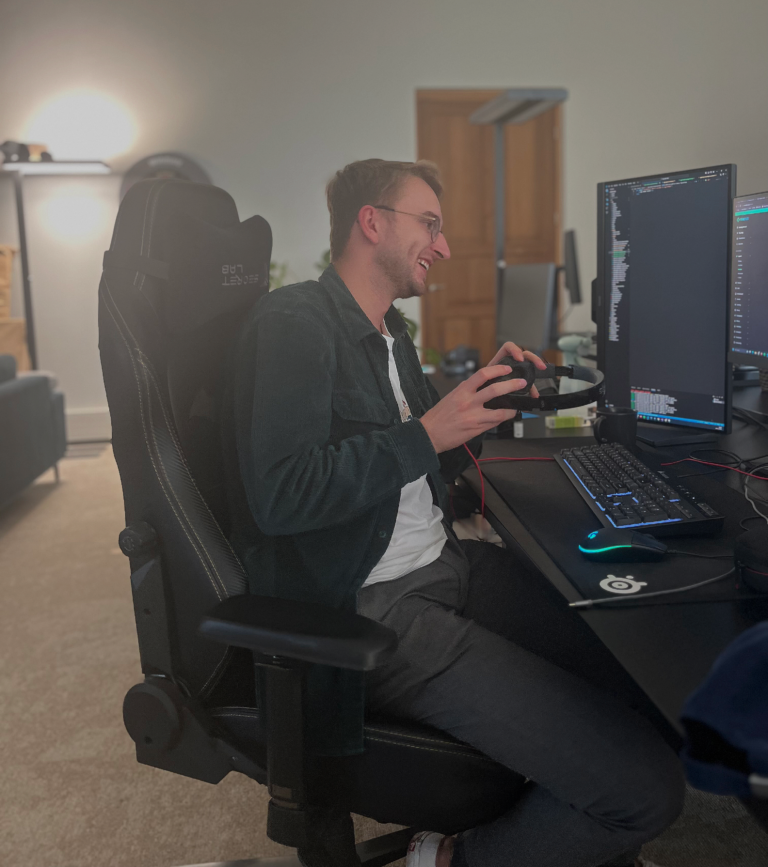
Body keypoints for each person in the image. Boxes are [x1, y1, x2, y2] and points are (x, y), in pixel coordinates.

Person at [230, 158, 684, 867]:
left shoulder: (390, 331)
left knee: (649, 679)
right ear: (371, 222)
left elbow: (418, 462)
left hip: (446, 564)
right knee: (645, 794)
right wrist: (427, 432)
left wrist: (484, 401)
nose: (442, 247)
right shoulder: (294, 322)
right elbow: (282, 493)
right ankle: (447, 859)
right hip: (376, 606)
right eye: (430, 224)